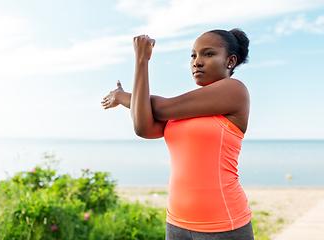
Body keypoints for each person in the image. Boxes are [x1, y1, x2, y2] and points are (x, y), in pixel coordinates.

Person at [101, 29, 254, 240]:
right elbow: (143, 127)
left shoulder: (235, 91)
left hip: (223, 225)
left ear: (230, 61)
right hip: (176, 222)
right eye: (193, 55)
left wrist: (122, 96)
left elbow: (161, 108)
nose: (197, 62)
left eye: (208, 54)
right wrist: (141, 62)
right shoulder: (183, 110)